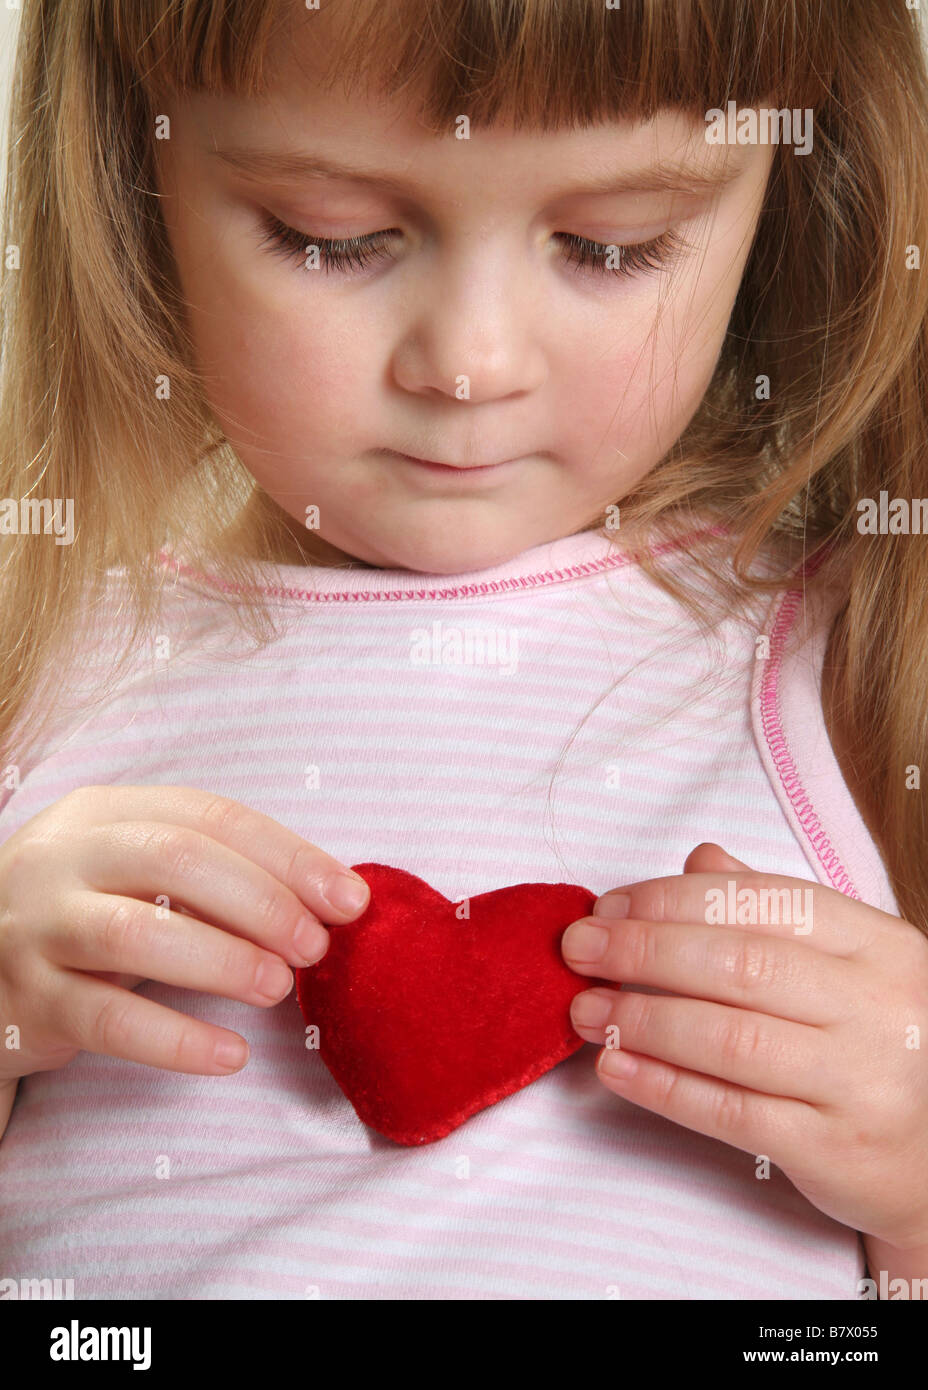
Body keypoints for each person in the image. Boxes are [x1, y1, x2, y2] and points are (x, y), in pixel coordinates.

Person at [0, 0, 926, 1300]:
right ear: (127, 171)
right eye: (335, 238)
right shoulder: (39, 659)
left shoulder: (857, 658)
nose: (470, 365)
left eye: (612, 246)